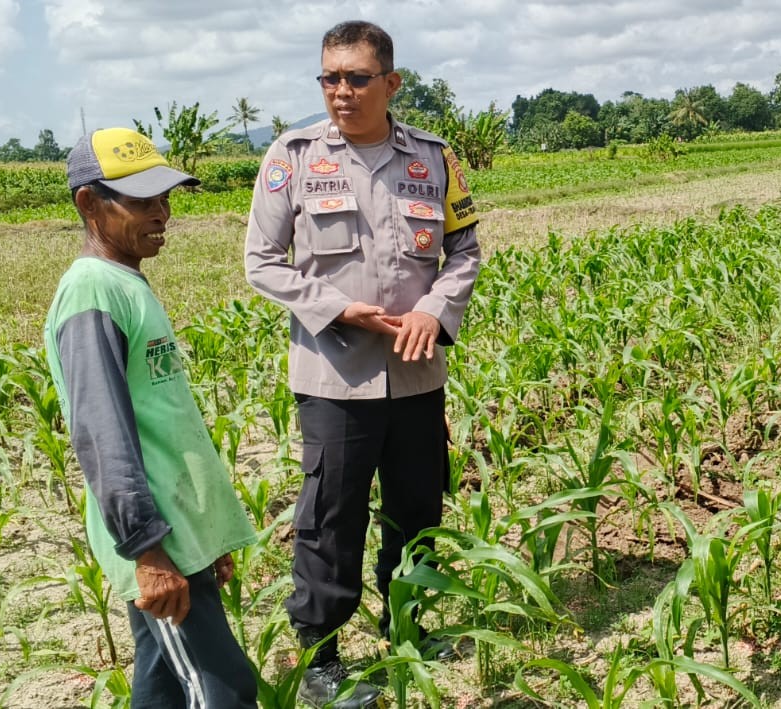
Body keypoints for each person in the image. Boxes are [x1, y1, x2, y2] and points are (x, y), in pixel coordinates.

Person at [244, 20, 481, 709]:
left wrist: (435, 309)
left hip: (415, 374)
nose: (340, 92)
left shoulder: (433, 161)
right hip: (333, 376)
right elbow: (261, 263)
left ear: (391, 83)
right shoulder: (291, 157)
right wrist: (337, 308)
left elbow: (463, 252)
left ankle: (409, 620)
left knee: (416, 508)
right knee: (330, 516)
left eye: (356, 78)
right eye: (329, 78)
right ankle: (320, 655)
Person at [45, 127, 258, 709]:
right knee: (224, 690)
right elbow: (101, 432)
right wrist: (148, 550)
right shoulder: (92, 291)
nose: (162, 212)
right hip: (158, 541)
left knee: (162, 685)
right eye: (142, 201)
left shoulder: (123, 282)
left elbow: (163, 422)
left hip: (178, 534)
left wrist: (206, 535)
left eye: (166, 197)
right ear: (89, 203)